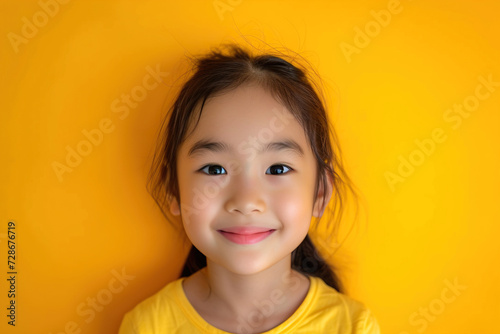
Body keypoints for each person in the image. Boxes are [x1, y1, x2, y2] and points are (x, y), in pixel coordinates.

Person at [118, 44, 381, 333]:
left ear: (319, 192)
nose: (246, 201)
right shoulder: (149, 327)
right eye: (214, 169)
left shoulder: (352, 326)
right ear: (174, 189)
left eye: (277, 169)